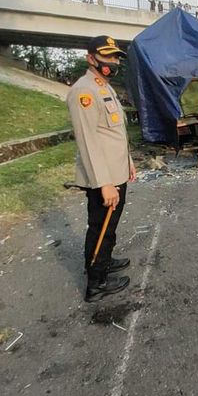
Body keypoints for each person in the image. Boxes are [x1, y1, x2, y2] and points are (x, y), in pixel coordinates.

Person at [66, 35, 135, 302]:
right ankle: (96, 283)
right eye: (108, 57)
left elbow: (114, 131)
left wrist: (127, 162)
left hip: (115, 172)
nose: (113, 62)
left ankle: (102, 262)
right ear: (91, 59)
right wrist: (104, 182)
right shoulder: (85, 91)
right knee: (101, 227)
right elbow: (88, 140)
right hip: (103, 177)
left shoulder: (104, 87)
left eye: (116, 57)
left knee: (109, 227)